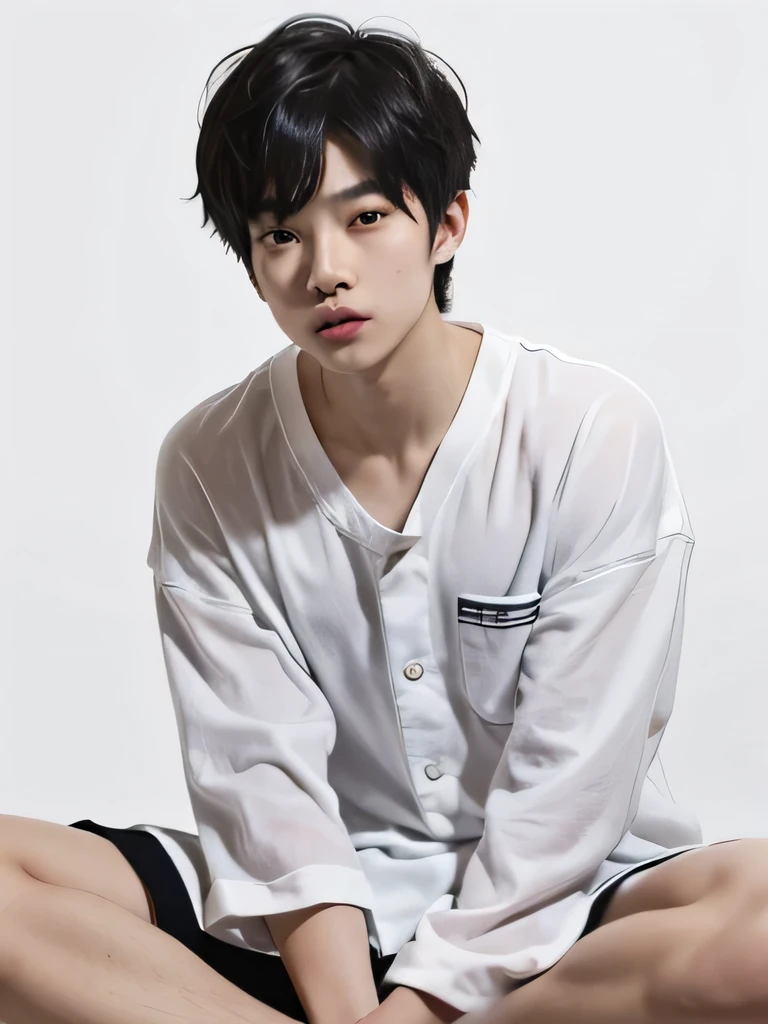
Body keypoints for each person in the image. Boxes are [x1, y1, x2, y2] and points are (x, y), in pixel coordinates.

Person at [2, 13, 766, 1024]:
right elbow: (264, 783)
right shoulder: (209, 459)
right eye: (282, 232)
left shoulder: (589, 431)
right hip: (308, 917)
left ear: (446, 225)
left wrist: (420, 1007)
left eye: (365, 218)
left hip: (569, 907)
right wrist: (353, 1005)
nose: (323, 268)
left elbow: (564, 797)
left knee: (755, 928)